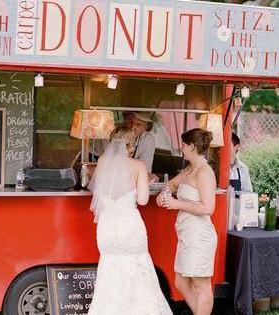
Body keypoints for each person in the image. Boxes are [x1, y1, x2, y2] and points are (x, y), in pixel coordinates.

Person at [87, 125, 172, 315]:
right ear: (131, 145)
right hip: (129, 226)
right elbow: (142, 200)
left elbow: (100, 192)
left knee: (110, 269)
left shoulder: (102, 161)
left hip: (108, 226)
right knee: (137, 268)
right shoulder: (138, 166)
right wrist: (146, 182)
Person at [156, 128, 217, 315]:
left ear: (191, 146)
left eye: (183, 144)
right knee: (180, 282)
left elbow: (208, 208)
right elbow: (172, 184)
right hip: (187, 234)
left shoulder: (205, 172)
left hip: (200, 235)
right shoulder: (190, 169)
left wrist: (177, 203)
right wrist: (164, 193)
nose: (180, 148)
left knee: (201, 285)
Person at [92, 111, 157, 180]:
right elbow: (111, 166)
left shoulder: (148, 139)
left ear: (145, 127)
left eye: (138, 124)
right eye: (130, 122)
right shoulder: (112, 134)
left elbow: (145, 169)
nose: (132, 127)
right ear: (125, 121)